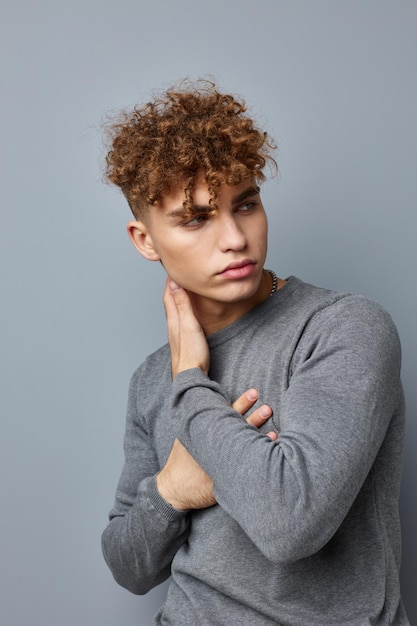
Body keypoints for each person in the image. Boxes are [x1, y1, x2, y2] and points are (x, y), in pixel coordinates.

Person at [101, 80, 409, 625]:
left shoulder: (345, 328)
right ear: (145, 240)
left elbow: (290, 523)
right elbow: (130, 567)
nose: (235, 239)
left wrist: (192, 382)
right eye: (196, 218)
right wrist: (171, 490)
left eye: (246, 205)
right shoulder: (150, 378)